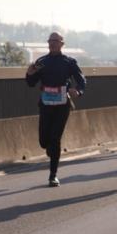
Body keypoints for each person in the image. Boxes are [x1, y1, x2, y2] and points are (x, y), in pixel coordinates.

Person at [26, 33, 86, 187]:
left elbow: (81, 80)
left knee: (55, 138)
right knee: (43, 141)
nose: (52, 44)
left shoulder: (69, 62)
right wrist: (29, 73)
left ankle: (53, 175)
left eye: (55, 41)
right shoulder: (41, 62)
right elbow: (31, 83)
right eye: (50, 41)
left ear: (62, 44)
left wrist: (78, 91)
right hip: (46, 105)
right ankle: (50, 149)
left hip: (62, 106)